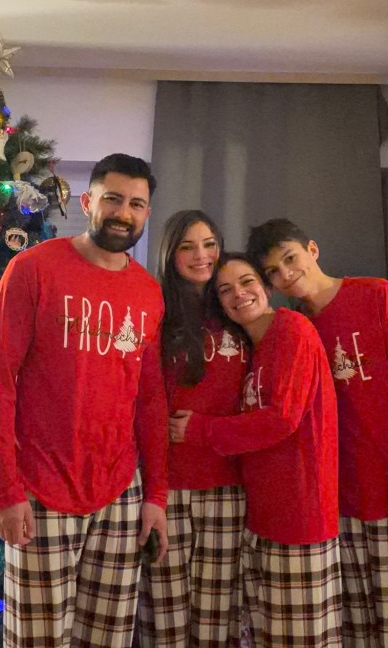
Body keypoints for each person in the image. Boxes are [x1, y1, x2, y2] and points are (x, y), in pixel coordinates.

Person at [0, 153, 169, 648]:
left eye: (136, 204)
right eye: (112, 199)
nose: (123, 213)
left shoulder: (149, 293)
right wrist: (4, 491)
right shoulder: (33, 269)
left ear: (147, 213)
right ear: (87, 202)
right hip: (39, 490)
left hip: (120, 492)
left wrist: (156, 495)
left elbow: (150, 401)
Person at [246, 218, 388, 648]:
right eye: (273, 272)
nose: (286, 274)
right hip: (342, 504)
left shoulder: (377, 295)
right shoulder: (296, 329)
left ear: (312, 249)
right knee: (359, 633)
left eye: (290, 258)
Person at [170, 253, 342, 648]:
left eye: (246, 282)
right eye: (225, 290)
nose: (239, 294)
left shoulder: (292, 329)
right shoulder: (256, 348)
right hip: (263, 517)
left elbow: (282, 419)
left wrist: (198, 429)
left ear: (265, 286)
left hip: (300, 517)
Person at [137, 210, 249, 648]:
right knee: (164, 621)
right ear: (171, 254)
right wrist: (155, 493)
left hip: (229, 487)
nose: (201, 255)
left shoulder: (238, 308)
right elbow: (147, 405)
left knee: (218, 621)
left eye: (209, 244)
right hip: (169, 488)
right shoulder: (156, 312)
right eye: (187, 246)